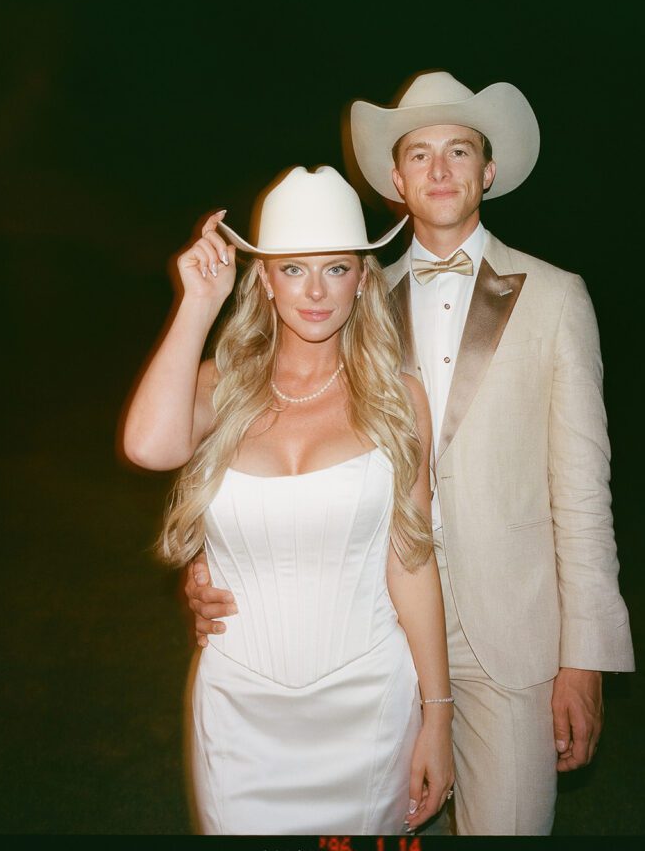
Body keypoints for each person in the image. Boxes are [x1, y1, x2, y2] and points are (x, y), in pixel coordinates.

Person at [186, 72, 636, 835]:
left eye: (458, 151)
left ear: (486, 172)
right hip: (376, 641)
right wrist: (215, 567)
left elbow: (583, 492)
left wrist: (584, 655)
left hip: (513, 640)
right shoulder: (345, 300)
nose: (438, 170)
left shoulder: (558, 298)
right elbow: (263, 438)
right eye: (419, 154)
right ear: (395, 179)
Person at [123, 164, 455, 835]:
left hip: (370, 704)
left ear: (363, 281)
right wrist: (197, 302)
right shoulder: (220, 388)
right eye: (293, 269)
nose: (315, 291)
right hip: (239, 710)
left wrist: (438, 717)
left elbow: (412, 564)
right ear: (264, 281)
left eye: (336, 269)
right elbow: (148, 448)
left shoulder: (400, 399)